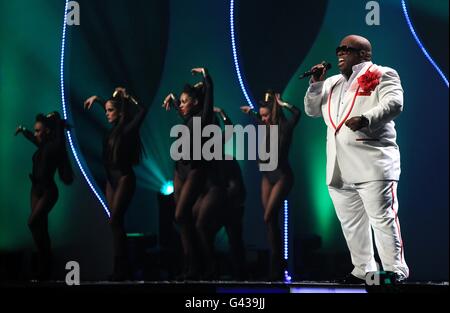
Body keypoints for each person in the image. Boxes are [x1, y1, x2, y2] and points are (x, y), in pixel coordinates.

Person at [304, 34, 409, 283]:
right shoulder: (331, 82)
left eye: (346, 49)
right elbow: (311, 111)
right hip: (339, 166)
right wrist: (315, 84)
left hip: (372, 162)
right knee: (351, 224)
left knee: (382, 218)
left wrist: (367, 118)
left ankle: (395, 271)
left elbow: (395, 103)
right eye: (338, 48)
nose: (339, 53)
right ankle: (364, 271)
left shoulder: (383, 73)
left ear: (363, 54)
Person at [163, 68, 226, 280]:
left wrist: (206, 75)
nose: (181, 104)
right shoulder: (188, 118)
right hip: (179, 170)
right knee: (182, 220)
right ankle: (191, 266)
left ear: (196, 103)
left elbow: (210, 90)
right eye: (180, 101)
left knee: (181, 215)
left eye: (184, 101)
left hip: (194, 171)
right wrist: (174, 102)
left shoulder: (205, 117)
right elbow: (182, 113)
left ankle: (198, 264)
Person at [84, 87, 148, 281]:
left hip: (124, 179)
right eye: (106, 111)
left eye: (110, 111)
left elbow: (142, 111)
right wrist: (96, 98)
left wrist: (129, 97)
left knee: (115, 221)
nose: (106, 113)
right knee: (115, 224)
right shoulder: (112, 130)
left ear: (120, 112)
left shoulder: (128, 128)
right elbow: (112, 106)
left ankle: (122, 268)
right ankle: (122, 268)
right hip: (111, 181)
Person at [241, 91, 300, 280]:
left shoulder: (284, 126)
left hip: (282, 177)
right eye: (262, 116)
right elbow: (259, 116)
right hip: (267, 176)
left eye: (266, 116)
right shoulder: (265, 124)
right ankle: (276, 266)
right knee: (270, 221)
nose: (263, 119)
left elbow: (297, 113)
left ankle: (278, 260)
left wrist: (283, 103)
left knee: (268, 216)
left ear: (273, 114)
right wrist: (251, 113)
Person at [15, 111, 74, 280]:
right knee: (39, 228)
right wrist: (23, 130)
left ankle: (46, 264)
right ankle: (45, 268)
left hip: (48, 191)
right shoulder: (41, 144)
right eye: (35, 130)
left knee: (32, 222)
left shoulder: (54, 146)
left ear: (47, 131)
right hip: (35, 189)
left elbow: (60, 140)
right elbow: (32, 138)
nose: (35, 134)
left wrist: (59, 124)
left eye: (38, 130)